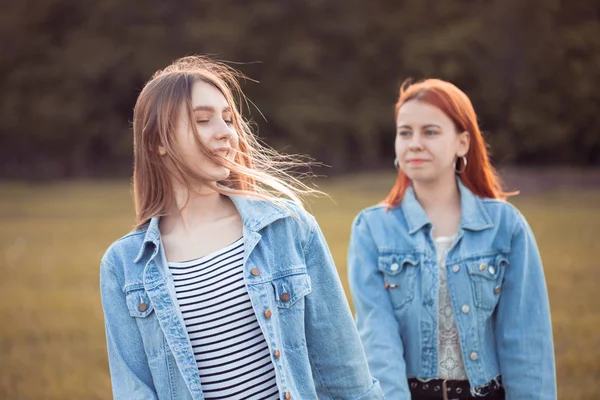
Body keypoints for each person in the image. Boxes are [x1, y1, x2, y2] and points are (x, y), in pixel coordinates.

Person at [100, 55, 383, 400]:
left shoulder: (287, 228)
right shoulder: (124, 266)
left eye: (229, 119)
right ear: (156, 141)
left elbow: (345, 373)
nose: (225, 134)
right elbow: (135, 391)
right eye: (203, 120)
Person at [348, 79, 556, 400]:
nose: (414, 143)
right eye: (405, 132)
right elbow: (377, 341)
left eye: (430, 131)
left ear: (462, 143)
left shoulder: (505, 226)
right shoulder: (372, 229)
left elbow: (526, 342)